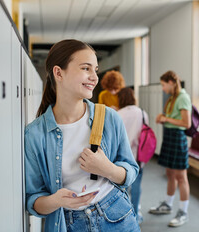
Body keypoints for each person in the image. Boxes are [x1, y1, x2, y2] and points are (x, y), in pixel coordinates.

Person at [24, 39, 140, 232]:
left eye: (95, 69)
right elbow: (33, 201)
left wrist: (107, 169)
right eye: (86, 68)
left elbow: (131, 172)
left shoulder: (109, 117)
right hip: (69, 223)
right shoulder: (35, 134)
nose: (94, 77)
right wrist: (55, 200)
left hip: (117, 217)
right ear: (58, 73)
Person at [149, 70, 192, 227]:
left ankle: (183, 212)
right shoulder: (173, 97)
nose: (162, 88)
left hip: (177, 138)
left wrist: (166, 118)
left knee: (181, 177)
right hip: (169, 136)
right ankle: (168, 204)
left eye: (163, 85)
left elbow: (186, 124)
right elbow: (175, 118)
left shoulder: (183, 97)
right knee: (170, 174)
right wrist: (163, 118)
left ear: (172, 83)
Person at [117, 87, 149, 224]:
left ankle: (122, 215)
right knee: (136, 185)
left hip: (120, 156)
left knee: (121, 186)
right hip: (138, 156)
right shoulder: (142, 113)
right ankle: (135, 215)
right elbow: (145, 134)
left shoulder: (118, 114)